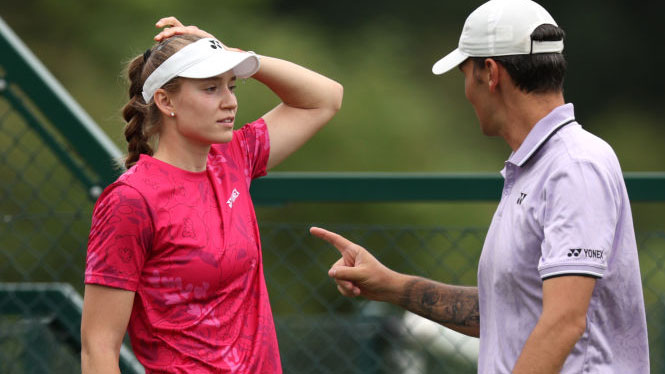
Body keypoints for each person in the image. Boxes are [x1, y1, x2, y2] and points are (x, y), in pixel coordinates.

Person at [310, 0, 649, 373]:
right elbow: (509, 310)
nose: (466, 90)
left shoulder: (574, 166)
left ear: (490, 73)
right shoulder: (544, 166)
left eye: (463, 73)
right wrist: (390, 285)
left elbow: (563, 322)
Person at [80, 16, 342, 373]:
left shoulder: (234, 157)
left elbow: (325, 98)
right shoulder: (132, 199)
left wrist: (236, 55)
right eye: (210, 88)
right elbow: (99, 346)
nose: (230, 102)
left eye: (232, 86)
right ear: (165, 101)